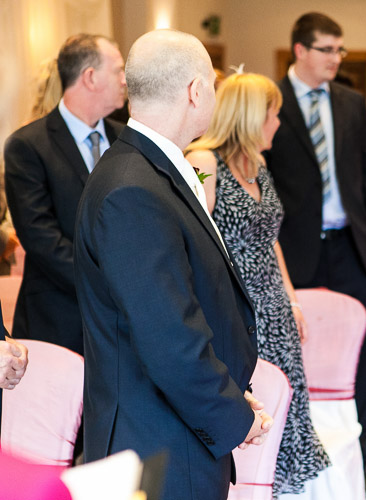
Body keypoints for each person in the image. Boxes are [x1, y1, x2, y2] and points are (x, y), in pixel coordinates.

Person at [74, 29, 272, 500]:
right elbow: (169, 335)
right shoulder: (132, 190)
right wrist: (231, 414)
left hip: (170, 423)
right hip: (156, 444)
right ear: (195, 91)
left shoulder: (143, 166)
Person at [185, 71, 329, 496]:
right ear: (250, 117)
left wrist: (292, 300)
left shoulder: (259, 165)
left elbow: (271, 240)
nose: (279, 124)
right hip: (236, 307)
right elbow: (192, 245)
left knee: (287, 406)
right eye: (274, 115)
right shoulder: (204, 162)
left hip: (274, 306)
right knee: (251, 407)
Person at [264, 12, 366, 500]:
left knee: (361, 357)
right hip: (295, 250)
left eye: (340, 49)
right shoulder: (272, 101)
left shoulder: (352, 103)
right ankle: (293, 460)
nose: (337, 58)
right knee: (295, 358)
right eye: (327, 49)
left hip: (350, 246)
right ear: (300, 50)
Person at [4, 34, 126, 355]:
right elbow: (41, 238)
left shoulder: (126, 138)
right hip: (60, 317)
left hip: (124, 321)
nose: (125, 79)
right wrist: (108, 285)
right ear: (90, 77)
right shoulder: (28, 145)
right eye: (118, 70)